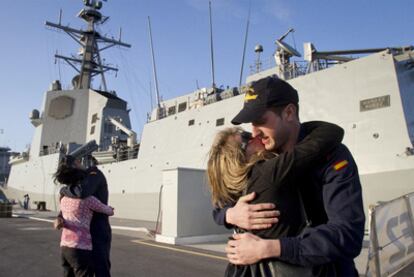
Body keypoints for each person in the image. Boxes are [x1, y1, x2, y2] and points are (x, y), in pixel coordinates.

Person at [213, 76, 365, 276]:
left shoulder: (332, 156)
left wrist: (270, 247)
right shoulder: (262, 158)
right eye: (251, 125)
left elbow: (348, 235)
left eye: (260, 121)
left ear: (289, 113)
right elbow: (220, 203)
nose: (255, 132)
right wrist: (231, 214)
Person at [208, 121, 344, 276]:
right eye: (246, 138)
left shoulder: (236, 187)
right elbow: (331, 133)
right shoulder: (270, 172)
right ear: (240, 156)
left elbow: (217, 209)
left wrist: (229, 214)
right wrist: (294, 126)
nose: (253, 135)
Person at [54, 156, 114, 277]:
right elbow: (70, 204)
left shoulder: (93, 174)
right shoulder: (77, 180)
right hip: (82, 238)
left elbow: (82, 193)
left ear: (77, 162)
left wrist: (63, 190)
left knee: (100, 268)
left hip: (97, 231)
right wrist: (59, 216)